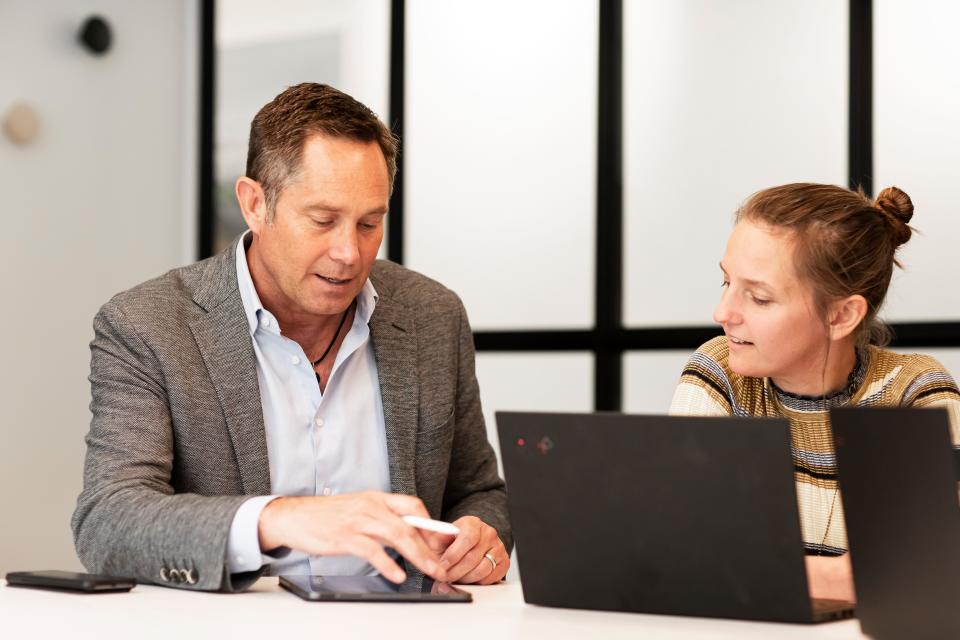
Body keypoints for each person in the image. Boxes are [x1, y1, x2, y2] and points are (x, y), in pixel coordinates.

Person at [72, 83, 511, 592]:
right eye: (323, 220)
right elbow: (108, 520)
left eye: (370, 223)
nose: (349, 252)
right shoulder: (147, 325)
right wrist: (278, 519)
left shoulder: (433, 315)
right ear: (255, 204)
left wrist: (481, 536)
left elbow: (479, 492)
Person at [669, 183, 960, 602]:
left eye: (759, 297)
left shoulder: (914, 391)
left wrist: (740, 568)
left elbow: (933, 570)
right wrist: (842, 576)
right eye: (726, 281)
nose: (722, 313)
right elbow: (679, 549)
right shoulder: (720, 371)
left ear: (842, 315)